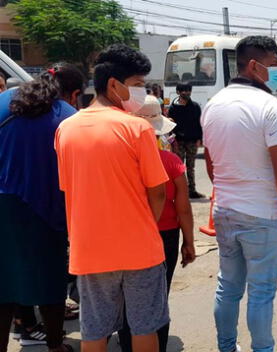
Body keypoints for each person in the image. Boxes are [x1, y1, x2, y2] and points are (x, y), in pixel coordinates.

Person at [55, 44, 170, 352]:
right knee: (144, 327)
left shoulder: (65, 129)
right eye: (136, 85)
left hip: (89, 249)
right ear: (114, 85)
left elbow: (69, 189)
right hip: (139, 249)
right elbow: (158, 190)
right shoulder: (137, 128)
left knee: (94, 329)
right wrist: (145, 226)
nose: (141, 93)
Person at [201, 35, 277, 352]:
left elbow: (212, 166)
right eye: (273, 64)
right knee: (261, 292)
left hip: (225, 211)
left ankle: (226, 348)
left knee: (227, 287)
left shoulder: (213, 104)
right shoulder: (269, 105)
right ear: (254, 65)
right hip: (262, 214)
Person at [0, 63, 86, 352]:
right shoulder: (68, 117)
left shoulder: (5, 100)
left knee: (4, 283)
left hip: (3, 204)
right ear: (74, 93)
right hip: (43, 208)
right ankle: (54, 346)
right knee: (51, 281)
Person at [117, 95, 197, 352]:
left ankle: (129, 343)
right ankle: (157, 345)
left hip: (127, 235)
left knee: (127, 294)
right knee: (158, 296)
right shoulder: (172, 162)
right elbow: (183, 208)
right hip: (166, 236)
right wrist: (190, 242)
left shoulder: (120, 160)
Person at [168, 83, 205, 199]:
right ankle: (179, 190)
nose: (186, 92)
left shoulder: (195, 107)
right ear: (178, 92)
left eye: (188, 90)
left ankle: (192, 190)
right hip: (178, 142)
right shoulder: (173, 108)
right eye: (183, 90)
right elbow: (170, 125)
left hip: (192, 141)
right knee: (178, 167)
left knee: (190, 166)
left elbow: (199, 124)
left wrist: (199, 139)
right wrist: (173, 141)